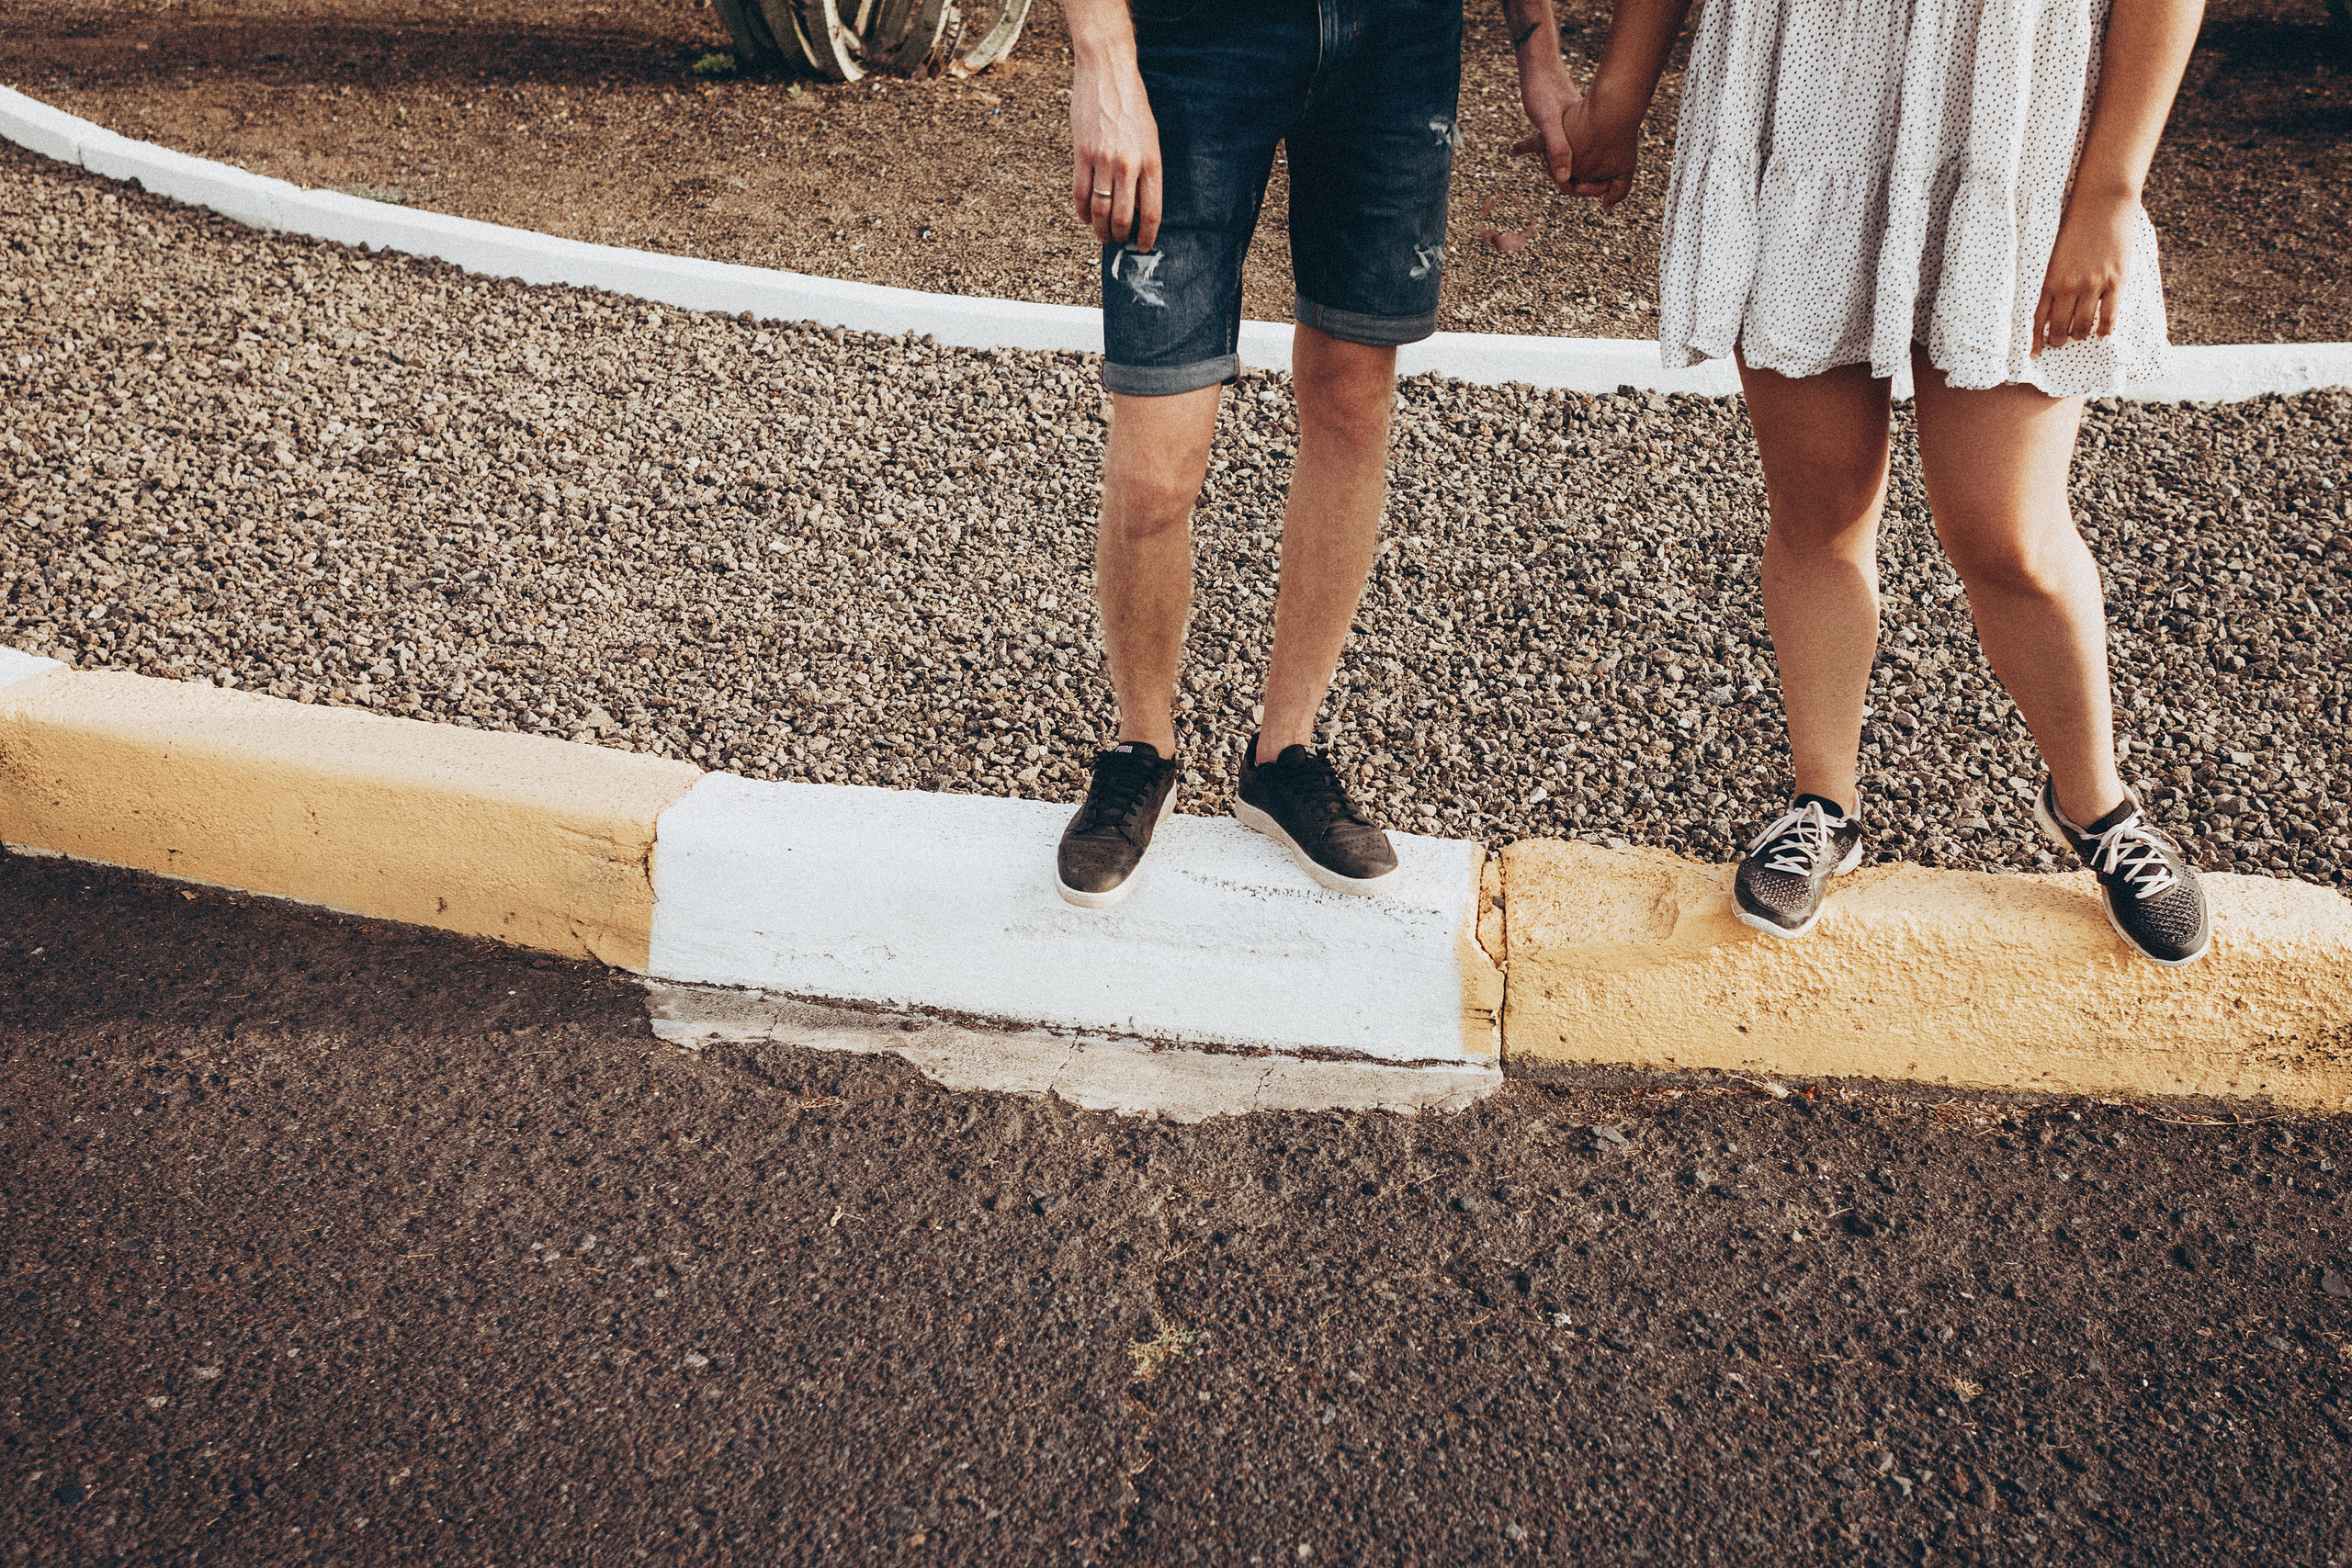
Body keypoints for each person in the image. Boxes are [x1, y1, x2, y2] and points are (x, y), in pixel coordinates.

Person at [1543, 0, 2214, 965]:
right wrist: (1618, 93)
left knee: (2008, 537)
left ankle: (2097, 808)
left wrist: (2110, 191)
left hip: (2011, 107)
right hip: (1806, 83)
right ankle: (1822, 805)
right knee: (1819, 510)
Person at [1053, 0, 1592, 908]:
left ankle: (1284, 754)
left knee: (1350, 398)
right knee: (1156, 460)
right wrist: (1101, 54)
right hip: (1196, 41)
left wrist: (1537, 53)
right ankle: (1141, 747)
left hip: (1397, 44)